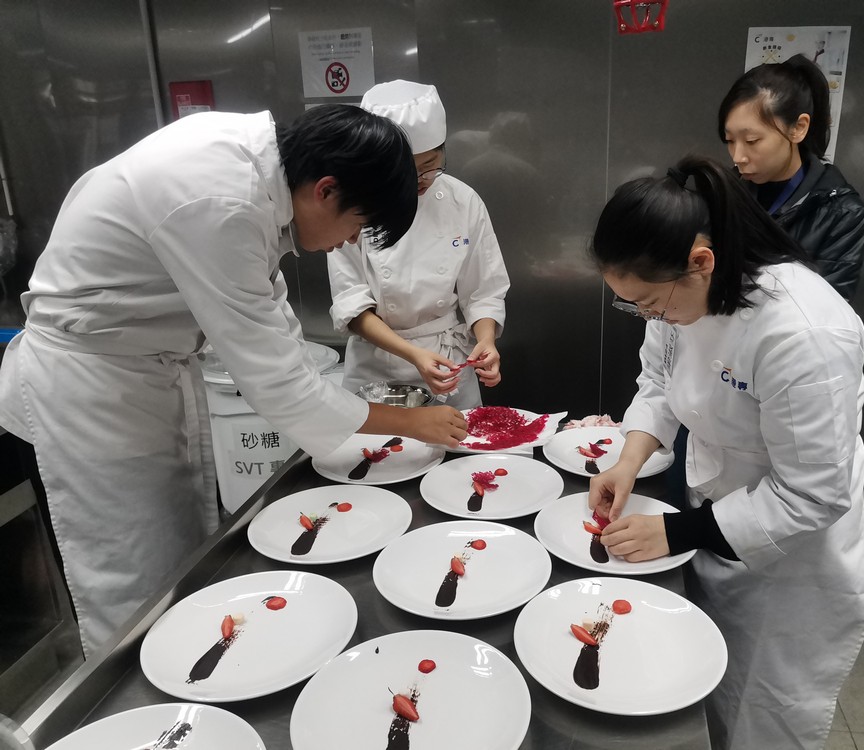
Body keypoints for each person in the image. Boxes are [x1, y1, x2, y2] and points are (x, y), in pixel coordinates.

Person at [0, 105, 469, 657]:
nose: (348, 243)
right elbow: (281, 386)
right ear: (325, 190)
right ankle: (140, 693)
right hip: (91, 390)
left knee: (175, 555)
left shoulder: (253, 177)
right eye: (356, 226)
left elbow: (275, 326)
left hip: (142, 373)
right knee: (133, 574)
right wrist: (411, 422)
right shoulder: (222, 201)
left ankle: (180, 663)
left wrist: (349, 404)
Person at [587, 156, 864, 749]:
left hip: (789, 566)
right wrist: (628, 460)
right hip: (715, 518)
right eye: (634, 305)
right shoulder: (677, 294)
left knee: (759, 714)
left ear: (702, 262)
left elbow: (812, 494)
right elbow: (659, 382)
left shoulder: (805, 332)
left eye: (649, 303)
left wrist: (679, 531)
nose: (648, 315)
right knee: (701, 696)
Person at [328, 81, 509, 410]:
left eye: (430, 166)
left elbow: (484, 291)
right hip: (375, 372)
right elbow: (351, 305)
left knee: (461, 443)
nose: (421, 180)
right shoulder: (355, 204)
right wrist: (413, 354)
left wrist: (485, 340)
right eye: (406, 171)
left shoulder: (462, 200)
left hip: (450, 365)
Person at [719, 53, 864, 301]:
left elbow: (829, 307)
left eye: (752, 140)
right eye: (730, 140)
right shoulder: (723, 192)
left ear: (798, 128)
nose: (738, 156)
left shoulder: (841, 212)